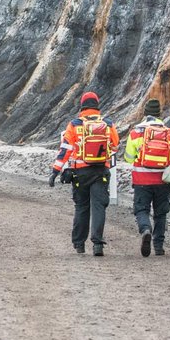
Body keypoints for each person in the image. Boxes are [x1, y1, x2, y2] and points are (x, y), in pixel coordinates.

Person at [50, 91, 119, 256]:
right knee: (98, 206)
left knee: (81, 207)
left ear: (82, 106)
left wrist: (55, 171)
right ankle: (97, 244)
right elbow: (115, 146)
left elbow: (65, 149)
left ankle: (79, 244)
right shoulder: (108, 124)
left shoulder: (74, 124)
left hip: (80, 172)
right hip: (101, 170)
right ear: (97, 106)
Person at [123, 98, 170, 256]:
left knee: (141, 209)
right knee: (161, 213)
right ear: (159, 114)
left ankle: (146, 229)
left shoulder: (136, 132)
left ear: (145, 113)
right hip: (163, 179)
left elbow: (128, 157)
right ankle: (159, 246)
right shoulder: (169, 133)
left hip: (142, 180)